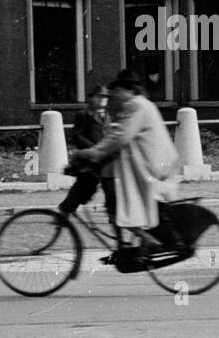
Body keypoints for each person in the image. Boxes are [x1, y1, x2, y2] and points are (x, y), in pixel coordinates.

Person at [68, 70, 180, 252]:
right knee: (125, 202)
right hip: (154, 162)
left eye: (116, 91)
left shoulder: (135, 105)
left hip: (149, 165)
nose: (112, 96)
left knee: (123, 205)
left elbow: (120, 137)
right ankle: (141, 241)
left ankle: (147, 240)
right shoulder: (142, 104)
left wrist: (92, 153)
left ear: (127, 90)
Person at [58, 85, 117, 227]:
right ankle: (65, 212)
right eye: (100, 97)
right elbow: (76, 135)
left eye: (105, 98)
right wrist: (91, 149)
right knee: (83, 186)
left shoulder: (107, 115)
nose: (103, 100)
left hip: (105, 159)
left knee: (110, 189)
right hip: (90, 159)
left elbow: (108, 134)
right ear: (92, 98)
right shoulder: (83, 114)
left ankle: (113, 216)